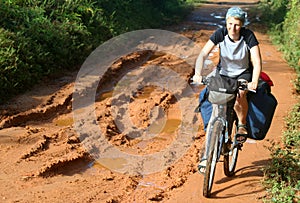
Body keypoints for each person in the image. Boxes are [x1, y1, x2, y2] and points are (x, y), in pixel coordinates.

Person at [192, 7, 262, 173]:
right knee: (214, 104)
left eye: (237, 25)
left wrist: (253, 81)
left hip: (242, 74)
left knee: (240, 95)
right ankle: (206, 156)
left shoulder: (248, 36)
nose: (233, 28)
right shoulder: (220, 33)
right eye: (230, 24)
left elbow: (257, 62)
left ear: (242, 25)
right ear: (226, 23)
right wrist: (197, 74)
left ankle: (242, 125)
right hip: (223, 73)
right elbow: (202, 55)